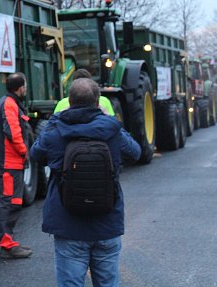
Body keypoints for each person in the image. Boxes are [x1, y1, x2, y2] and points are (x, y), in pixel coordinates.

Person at [30, 78, 141, 287]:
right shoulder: (112, 130)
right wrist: (112, 122)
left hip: (68, 225)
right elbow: (135, 152)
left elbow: (35, 153)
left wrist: (54, 120)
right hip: (107, 223)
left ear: (69, 101)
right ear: (97, 101)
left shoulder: (55, 131)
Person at [0, 72, 33, 259]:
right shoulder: (9, 104)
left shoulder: (9, 102)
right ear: (20, 87)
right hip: (10, 163)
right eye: (24, 85)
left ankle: (9, 242)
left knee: (13, 202)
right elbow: (13, 132)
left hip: (11, 162)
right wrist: (25, 152)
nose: (25, 89)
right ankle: (7, 246)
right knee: (9, 203)